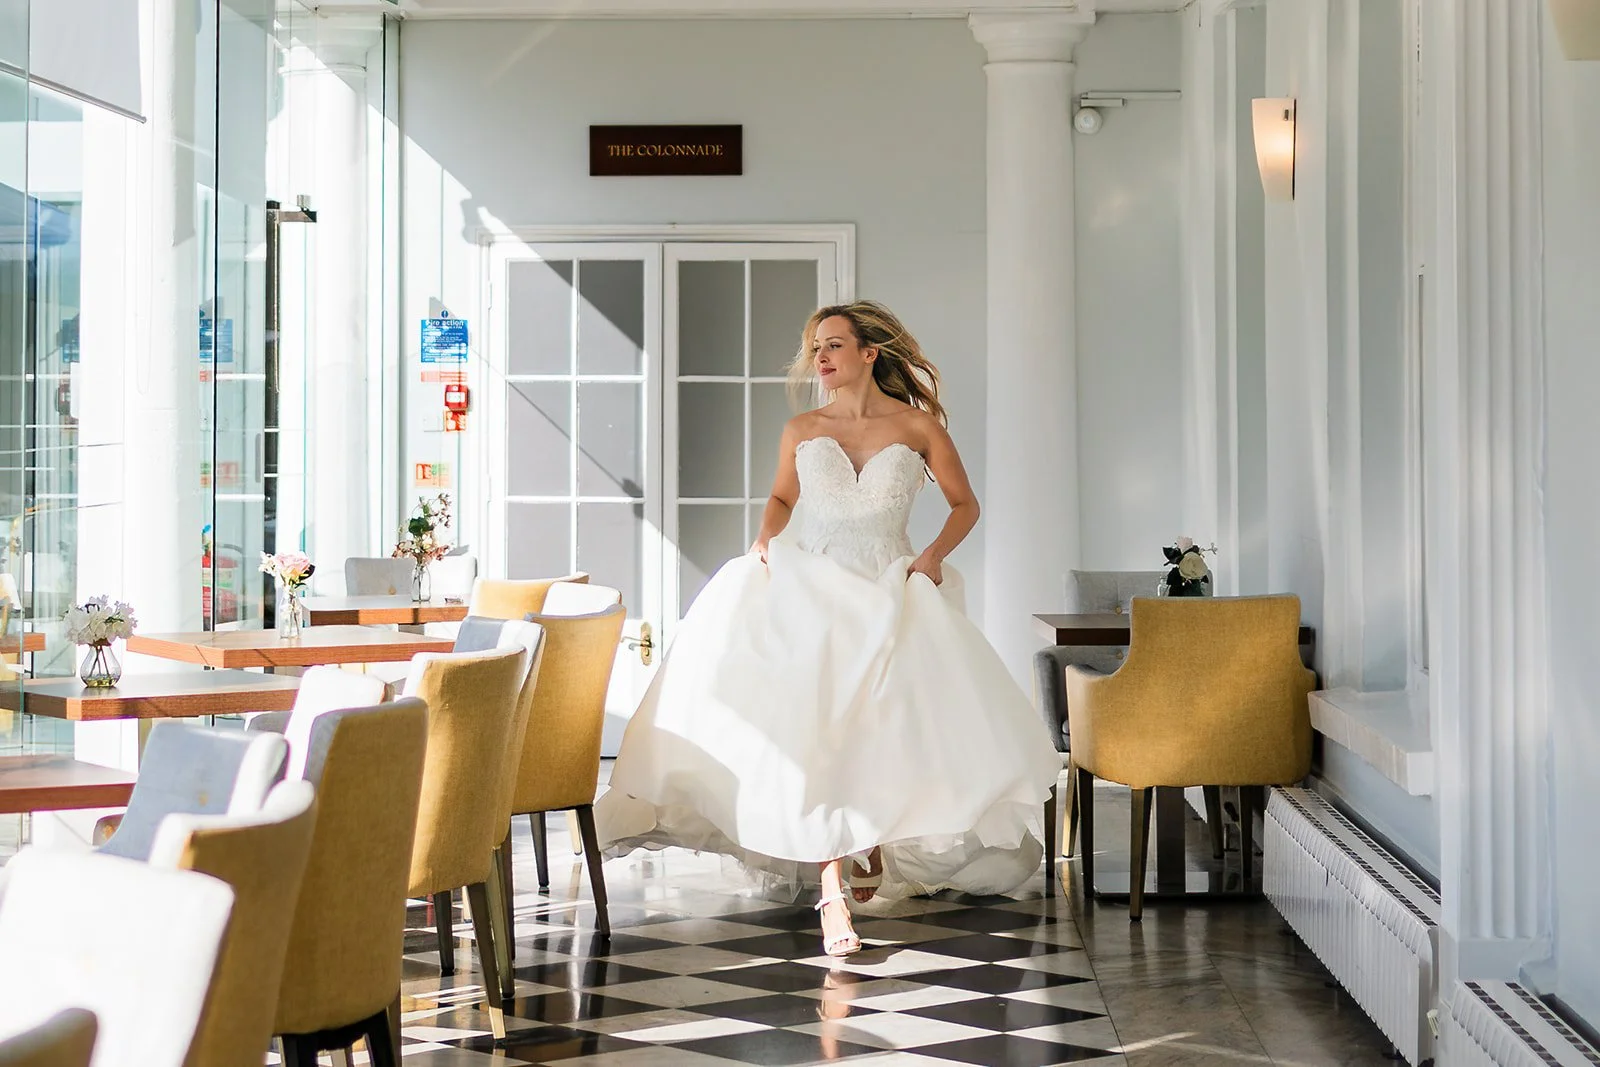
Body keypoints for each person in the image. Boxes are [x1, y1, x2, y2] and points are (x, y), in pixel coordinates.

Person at [594, 300, 1060, 958]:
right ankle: (831, 889)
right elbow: (783, 497)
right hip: (809, 587)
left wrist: (931, 558)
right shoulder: (802, 429)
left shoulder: (917, 427)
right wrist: (765, 539)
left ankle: (868, 834)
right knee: (814, 731)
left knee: (880, 726)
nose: (821, 357)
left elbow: (965, 504)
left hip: (888, 587)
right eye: (816, 347)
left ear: (870, 352)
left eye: (834, 344)